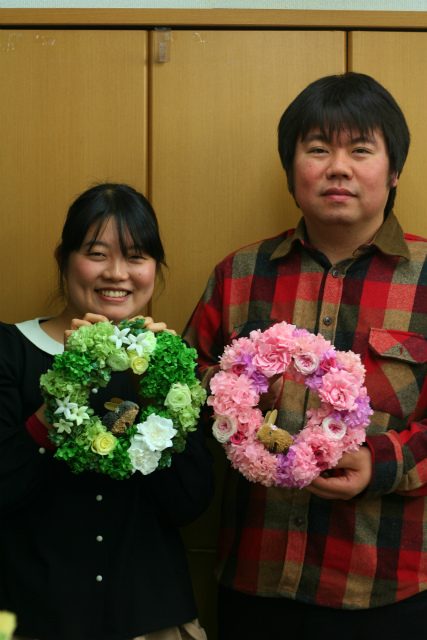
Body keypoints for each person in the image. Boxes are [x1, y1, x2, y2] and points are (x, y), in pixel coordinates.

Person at [183, 73, 427, 639]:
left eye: (360, 150)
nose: (337, 168)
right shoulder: (239, 274)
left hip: (385, 589)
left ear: (394, 170)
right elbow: (185, 389)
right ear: (291, 168)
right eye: (317, 150)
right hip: (256, 582)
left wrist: (383, 463)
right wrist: (232, 395)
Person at [0, 183, 214, 640]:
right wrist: (62, 396)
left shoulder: (170, 365)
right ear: (63, 258)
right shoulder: (9, 350)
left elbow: (188, 504)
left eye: (136, 256)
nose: (117, 273)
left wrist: (157, 395)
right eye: (96, 254)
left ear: (154, 268)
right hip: (33, 619)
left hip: (150, 618)